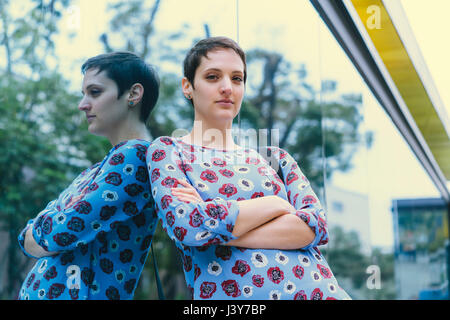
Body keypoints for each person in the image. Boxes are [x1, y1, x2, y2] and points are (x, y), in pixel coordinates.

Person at [147, 36, 351, 300]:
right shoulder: (168, 151)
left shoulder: (274, 158)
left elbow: (316, 226)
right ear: (188, 86)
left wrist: (219, 230)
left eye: (236, 78)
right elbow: (187, 225)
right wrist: (277, 204)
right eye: (212, 77)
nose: (227, 88)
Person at [17, 52, 161, 300]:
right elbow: (32, 236)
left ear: (133, 94)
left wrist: (36, 231)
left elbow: (61, 231)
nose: (82, 104)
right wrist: (36, 233)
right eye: (84, 94)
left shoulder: (135, 157)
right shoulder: (97, 169)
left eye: (94, 92)